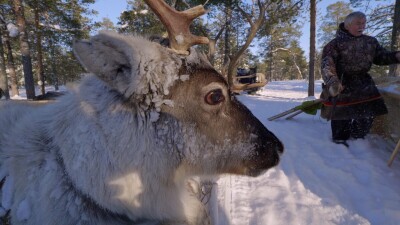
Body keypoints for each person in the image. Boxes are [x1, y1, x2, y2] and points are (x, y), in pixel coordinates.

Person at [320, 11, 400, 145]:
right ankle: (339, 144)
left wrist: (396, 56)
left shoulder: (370, 42)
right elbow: (327, 65)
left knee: (367, 114)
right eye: (358, 23)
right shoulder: (334, 45)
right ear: (347, 25)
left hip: (364, 82)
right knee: (342, 116)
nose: (362, 26)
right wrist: (333, 82)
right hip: (342, 82)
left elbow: (381, 57)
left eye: (364, 23)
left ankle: (359, 139)